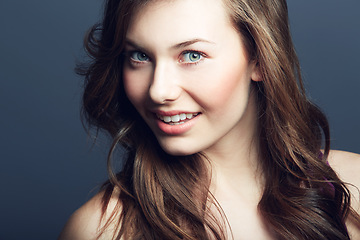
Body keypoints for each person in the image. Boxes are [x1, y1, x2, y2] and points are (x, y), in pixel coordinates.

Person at [59, 0, 360, 239]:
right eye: (139, 56)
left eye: (192, 55)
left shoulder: (354, 187)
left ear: (259, 59)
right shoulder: (102, 231)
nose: (158, 90)